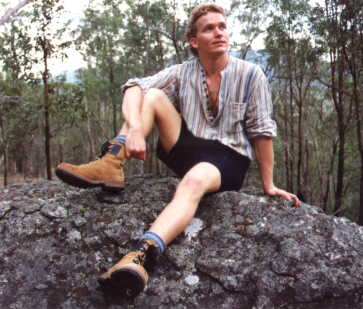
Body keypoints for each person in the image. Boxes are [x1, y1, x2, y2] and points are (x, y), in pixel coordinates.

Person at [55, 3, 301, 297]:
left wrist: (269, 184)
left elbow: (261, 132)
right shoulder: (183, 72)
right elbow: (133, 87)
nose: (219, 32)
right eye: (209, 28)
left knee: (195, 180)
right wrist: (134, 129)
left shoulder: (251, 74)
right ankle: (111, 162)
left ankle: (141, 256)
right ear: (194, 41)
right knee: (154, 94)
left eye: (222, 26)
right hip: (189, 146)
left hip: (227, 160)